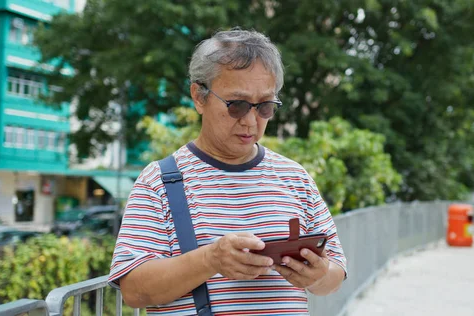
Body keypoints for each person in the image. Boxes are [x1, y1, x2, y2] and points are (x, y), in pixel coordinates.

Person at [108, 29, 347, 315]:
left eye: (265, 107)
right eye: (237, 105)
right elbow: (133, 289)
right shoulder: (159, 181)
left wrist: (318, 275)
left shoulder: (295, 177)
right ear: (199, 96)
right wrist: (210, 259)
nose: (251, 121)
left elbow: (335, 274)